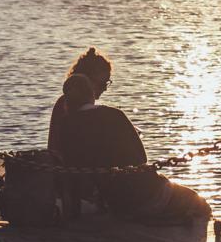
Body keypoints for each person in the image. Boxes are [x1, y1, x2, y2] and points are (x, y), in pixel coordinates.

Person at [45, 48, 209, 224]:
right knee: (199, 204)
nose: (105, 89)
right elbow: (139, 159)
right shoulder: (108, 116)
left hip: (102, 192)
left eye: (107, 83)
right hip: (122, 194)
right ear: (89, 82)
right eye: (102, 83)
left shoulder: (71, 114)